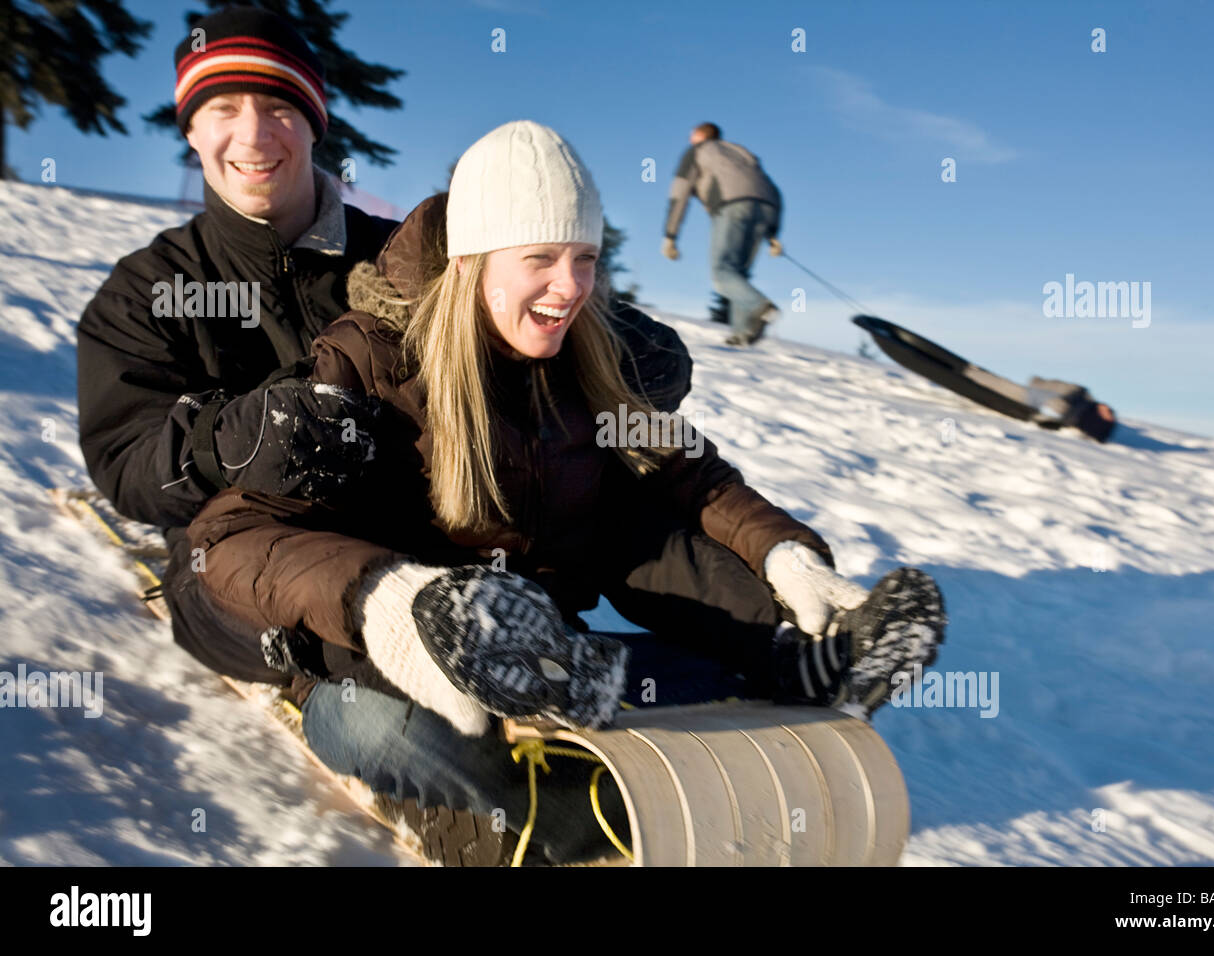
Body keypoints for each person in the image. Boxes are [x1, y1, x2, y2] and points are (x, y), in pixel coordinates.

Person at [185, 121, 948, 863]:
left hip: (534, 643)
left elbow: (688, 473)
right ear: (471, 263)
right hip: (378, 653)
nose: (571, 286)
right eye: (541, 257)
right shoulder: (371, 364)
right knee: (370, 727)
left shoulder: (589, 358)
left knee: (647, 546)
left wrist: (784, 558)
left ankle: (789, 651)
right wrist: (390, 604)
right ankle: (527, 818)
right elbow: (232, 536)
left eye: (585, 258)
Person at [75, 6, 398, 683]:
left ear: (315, 121)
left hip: (412, 537)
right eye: (222, 108)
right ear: (191, 128)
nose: (252, 135)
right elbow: (127, 463)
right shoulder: (147, 288)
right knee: (383, 707)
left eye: (279, 106)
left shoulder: (399, 260)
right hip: (233, 561)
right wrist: (231, 440)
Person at [661, 122, 784, 346]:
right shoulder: (741, 153)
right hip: (768, 208)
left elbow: (680, 192)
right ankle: (742, 334)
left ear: (700, 135)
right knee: (738, 273)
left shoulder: (697, 151)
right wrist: (773, 233)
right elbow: (772, 188)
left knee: (722, 272)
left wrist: (670, 235)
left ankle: (759, 306)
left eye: (692, 134)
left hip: (732, 206)